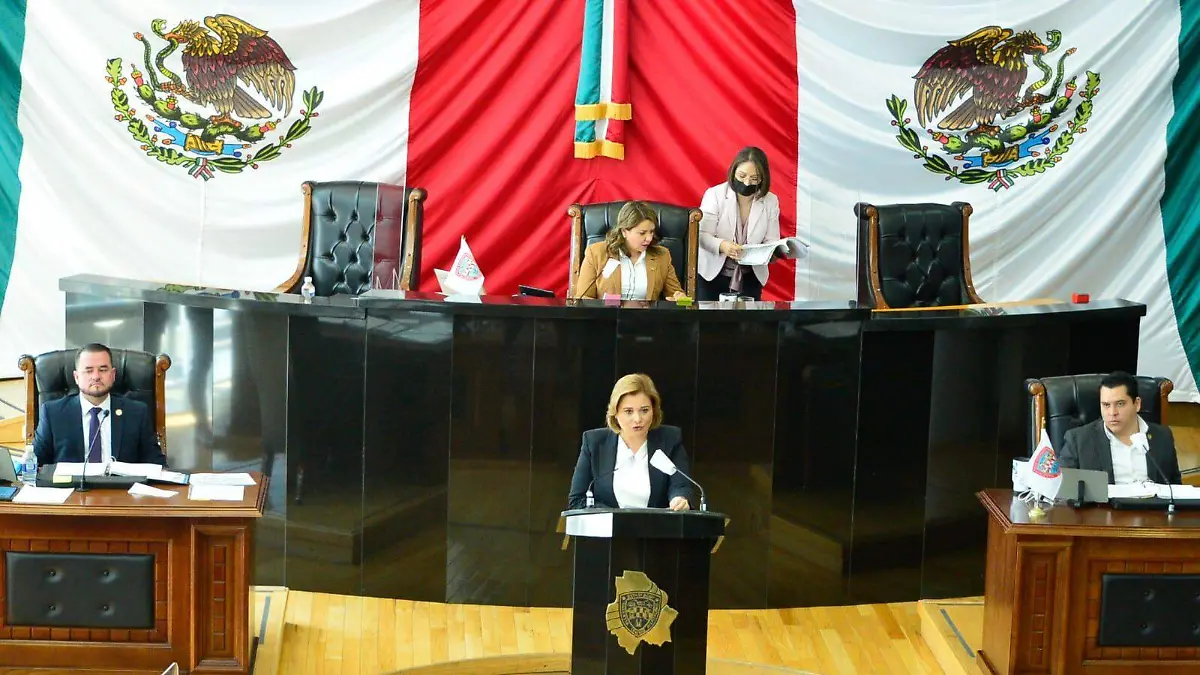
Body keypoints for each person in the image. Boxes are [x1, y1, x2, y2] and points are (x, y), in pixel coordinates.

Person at [567, 373, 693, 510]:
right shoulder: (594, 443)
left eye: (644, 410)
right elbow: (577, 500)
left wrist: (679, 499)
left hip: (657, 528)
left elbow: (681, 485)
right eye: (628, 411)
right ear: (615, 413)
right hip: (608, 530)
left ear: (654, 410)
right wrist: (614, 517)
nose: (638, 419)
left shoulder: (670, 439)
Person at [32, 343, 167, 467]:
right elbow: (37, 464)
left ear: (113, 375)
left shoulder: (137, 412)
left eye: (103, 370)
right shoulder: (53, 413)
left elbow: (156, 464)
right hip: (71, 491)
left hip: (122, 490)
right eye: (89, 370)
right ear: (76, 377)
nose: (96, 376)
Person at [1058, 371, 1181, 485]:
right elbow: (1062, 488)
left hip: (1152, 508)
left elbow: (1175, 488)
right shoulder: (1078, 440)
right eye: (1106, 405)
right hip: (1104, 508)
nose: (1112, 412)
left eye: (1120, 404)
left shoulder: (1163, 436)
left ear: (1137, 404)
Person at [696, 146, 781, 301]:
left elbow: (771, 239)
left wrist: (775, 251)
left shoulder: (770, 201)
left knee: (746, 324)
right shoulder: (715, 194)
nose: (747, 182)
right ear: (733, 171)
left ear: (763, 179)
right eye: (742, 176)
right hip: (712, 275)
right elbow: (700, 234)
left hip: (751, 276)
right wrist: (722, 245)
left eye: (754, 179)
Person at [574, 201, 687, 301]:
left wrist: (680, 299)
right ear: (624, 231)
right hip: (606, 320)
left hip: (648, 321)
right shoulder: (596, 253)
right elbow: (583, 298)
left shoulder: (662, 255)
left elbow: (675, 294)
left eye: (651, 232)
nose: (649, 238)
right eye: (642, 233)